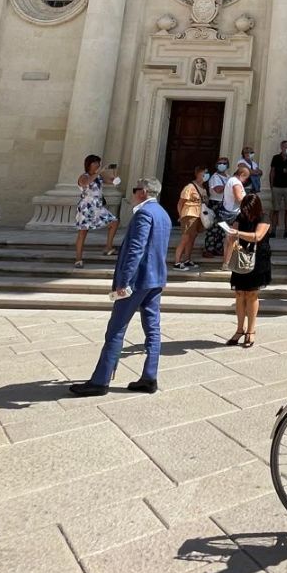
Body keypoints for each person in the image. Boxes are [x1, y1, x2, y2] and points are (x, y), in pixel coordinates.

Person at [69, 177, 171, 396]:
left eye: (135, 190)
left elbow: (136, 250)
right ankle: (149, 377)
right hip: (155, 280)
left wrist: (123, 282)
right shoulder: (163, 213)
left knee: (116, 329)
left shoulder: (144, 214)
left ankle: (100, 380)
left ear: (143, 192)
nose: (133, 194)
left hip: (137, 281)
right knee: (153, 329)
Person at [223, 189, 272, 348]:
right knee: (239, 293)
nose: (245, 212)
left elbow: (258, 236)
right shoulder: (240, 217)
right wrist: (227, 257)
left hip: (257, 259)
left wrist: (237, 233)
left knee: (251, 294)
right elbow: (232, 235)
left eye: (248, 209)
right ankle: (239, 329)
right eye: (243, 209)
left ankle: (251, 330)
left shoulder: (264, 217)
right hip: (240, 258)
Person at [74, 155, 120, 268]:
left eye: (98, 163)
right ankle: (78, 259)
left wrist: (114, 175)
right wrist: (99, 172)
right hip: (86, 207)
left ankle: (108, 247)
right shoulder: (83, 176)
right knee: (83, 232)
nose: (97, 165)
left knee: (114, 222)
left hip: (98, 207)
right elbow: (86, 183)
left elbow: (114, 182)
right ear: (89, 164)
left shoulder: (99, 178)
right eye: (95, 163)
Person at [173, 165, 207, 271]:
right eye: (204, 174)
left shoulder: (203, 189)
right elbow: (180, 203)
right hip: (189, 214)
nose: (206, 176)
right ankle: (177, 262)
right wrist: (180, 215)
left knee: (192, 238)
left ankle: (187, 259)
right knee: (185, 238)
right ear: (198, 174)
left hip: (198, 215)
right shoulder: (190, 187)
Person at [268, 139, 287, 239]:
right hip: (277, 186)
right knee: (275, 209)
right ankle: (273, 230)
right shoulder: (276, 158)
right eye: (286, 147)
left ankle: (286, 231)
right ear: (282, 147)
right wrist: (271, 185)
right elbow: (272, 171)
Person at [202, 156, 230, 259]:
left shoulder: (227, 176)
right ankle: (208, 249)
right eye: (220, 163)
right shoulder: (215, 177)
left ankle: (218, 248)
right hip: (215, 203)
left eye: (224, 163)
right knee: (213, 228)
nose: (222, 165)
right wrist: (229, 185)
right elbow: (218, 190)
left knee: (222, 228)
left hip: (224, 203)